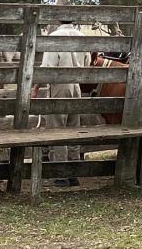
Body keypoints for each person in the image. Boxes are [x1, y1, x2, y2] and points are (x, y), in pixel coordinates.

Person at [31, 21, 91, 187]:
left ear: (58, 22)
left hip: (59, 85)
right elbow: (87, 62)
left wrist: (36, 88)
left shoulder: (54, 37)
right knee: (73, 127)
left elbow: (47, 67)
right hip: (76, 86)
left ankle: (60, 173)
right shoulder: (82, 37)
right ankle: (73, 173)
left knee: (57, 128)